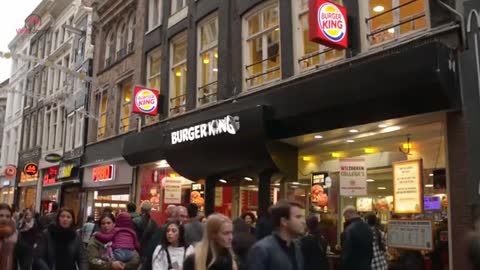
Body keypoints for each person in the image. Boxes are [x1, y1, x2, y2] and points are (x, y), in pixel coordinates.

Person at [247, 200, 305, 270]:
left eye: (303, 217)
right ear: (284, 221)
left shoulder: (296, 247)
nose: (303, 221)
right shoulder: (262, 249)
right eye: (298, 217)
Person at [142, 206, 189, 270]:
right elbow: (151, 252)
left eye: (186, 217)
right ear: (174, 216)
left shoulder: (186, 231)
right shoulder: (163, 230)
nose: (185, 219)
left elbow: (173, 259)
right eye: (182, 216)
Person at [340, 206, 373, 270]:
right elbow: (371, 250)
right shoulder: (368, 228)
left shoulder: (349, 230)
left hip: (353, 266)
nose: (345, 219)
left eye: (344, 217)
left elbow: (347, 253)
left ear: (348, 214)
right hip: (366, 266)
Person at [0, 203, 32, 270]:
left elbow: (26, 253)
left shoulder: (15, 234)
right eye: (1, 215)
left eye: (8, 216)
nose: (4, 218)